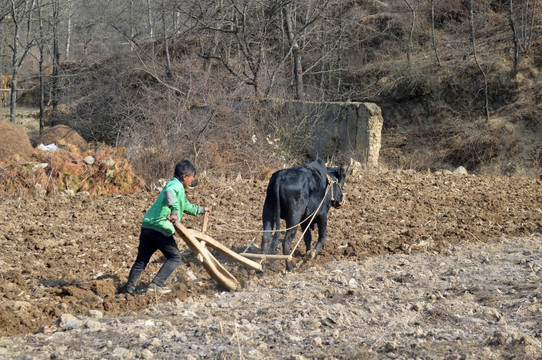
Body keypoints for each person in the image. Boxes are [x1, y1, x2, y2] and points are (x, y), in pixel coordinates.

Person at [125, 160, 210, 295]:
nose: (191, 182)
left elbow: (186, 206)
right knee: (175, 258)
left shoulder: (177, 188)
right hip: (161, 228)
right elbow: (170, 194)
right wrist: (174, 212)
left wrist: (201, 210)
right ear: (184, 176)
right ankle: (157, 284)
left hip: (148, 227)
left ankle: (128, 290)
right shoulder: (174, 185)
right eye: (191, 178)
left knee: (141, 261)